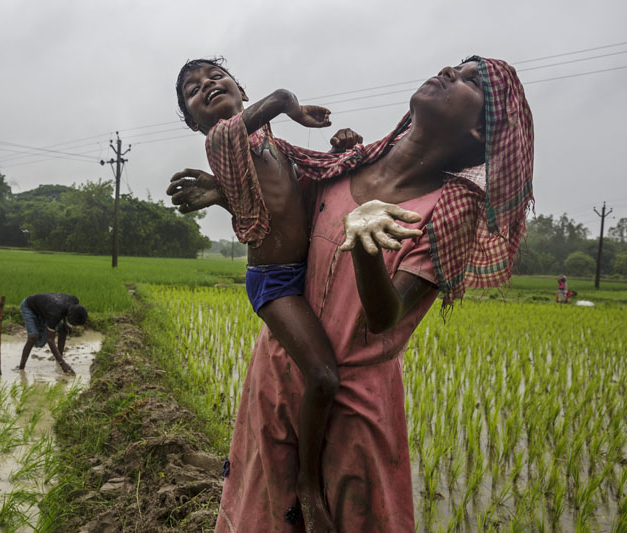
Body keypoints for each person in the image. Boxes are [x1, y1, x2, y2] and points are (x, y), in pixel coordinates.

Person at [168, 56, 533, 531]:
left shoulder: (451, 208)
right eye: (456, 66)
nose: (449, 72)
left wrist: (364, 246)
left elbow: (388, 317)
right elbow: (281, 208)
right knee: (258, 514)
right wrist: (226, 189)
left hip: (351, 411)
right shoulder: (350, 161)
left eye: (471, 82)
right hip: (277, 378)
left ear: (483, 134)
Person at [176, 57, 362, 532]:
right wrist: (294, 110)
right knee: (323, 376)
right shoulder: (222, 140)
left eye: (215, 77)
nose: (208, 86)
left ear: (239, 87)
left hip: (307, 270)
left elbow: (317, 179)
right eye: (194, 91)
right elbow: (279, 98)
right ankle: (306, 484)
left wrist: (344, 146)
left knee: (307, 374)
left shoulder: (271, 146)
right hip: (275, 282)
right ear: (194, 120)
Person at [18, 293, 87, 375]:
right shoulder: (55, 313)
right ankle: (21, 368)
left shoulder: (74, 301)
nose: (73, 325)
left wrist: (65, 323)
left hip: (46, 308)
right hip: (29, 307)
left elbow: (66, 311)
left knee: (63, 330)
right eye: (73, 323)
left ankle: (59, 359)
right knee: (33, 337)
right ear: (69, 315)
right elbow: (50, 340)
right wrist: (63, 364)